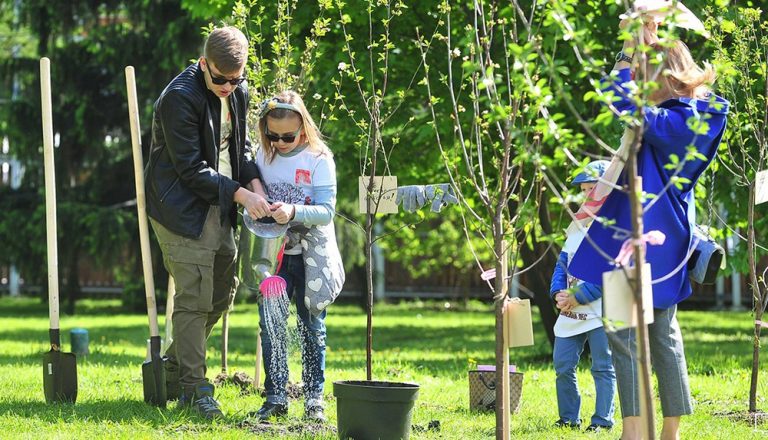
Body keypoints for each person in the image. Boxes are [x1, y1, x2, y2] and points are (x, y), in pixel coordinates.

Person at [569, 18, 729, 440]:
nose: (637, 80)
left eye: (645, 75)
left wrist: (628, 50)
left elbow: (615, 95)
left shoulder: (671, 124)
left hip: (639, 240)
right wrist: (647, 42)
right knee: (663, 335)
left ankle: (636, 433)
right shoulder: (697, 119)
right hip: (668, 242)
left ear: (664, 78)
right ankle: (667, 432)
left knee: (625, 334)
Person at [145, 26, 271, 419]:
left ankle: (171, 367)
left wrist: (254, 185)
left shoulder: (238, 90)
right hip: (181, 208)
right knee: (195, 296)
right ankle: (195, 390)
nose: (229, 86)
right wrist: (244, 195)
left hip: (223, 203)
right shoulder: (179, 98)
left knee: (221, 292)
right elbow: (192, 170)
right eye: (221, 79)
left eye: (237, 79)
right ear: (203, 64)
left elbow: (242, 146)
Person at [249, 91, 344, 423]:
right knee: (271, 323)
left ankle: (314, 397)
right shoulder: (265, 156)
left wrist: (292, 210)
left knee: (310, 325)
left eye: (287, 136)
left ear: (303, 128)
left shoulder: (319, 160)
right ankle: (276, 395)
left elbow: (326, 211)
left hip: (309, 259)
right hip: (274, 258)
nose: (280, 142)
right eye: (272, 136)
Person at [550, 160, 615, 433]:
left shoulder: (614, 226)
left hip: (603, 310)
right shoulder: (579, 223)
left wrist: (580, 294)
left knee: (602, 366)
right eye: (585, 189)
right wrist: (558, 293)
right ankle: (568, 419)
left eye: (594, 189)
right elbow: (562, 263)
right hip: (570, 310)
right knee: (563, 365)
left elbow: (611, 270)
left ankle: (602, 421)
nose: (589, 195)